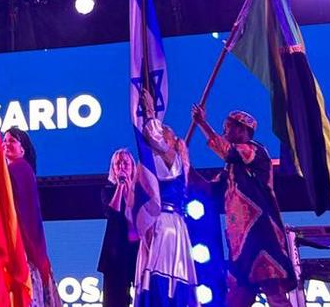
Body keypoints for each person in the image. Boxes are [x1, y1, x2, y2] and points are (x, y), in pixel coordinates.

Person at [191, 104, 294, 307]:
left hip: (261, 232)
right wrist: (183, 165)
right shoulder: (231, 168)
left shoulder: (254, 151)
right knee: (239, 295)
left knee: (272, 288)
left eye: (228, 127)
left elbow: (228, 152)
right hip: (240, 239)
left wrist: (202, 124)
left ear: (242, 129)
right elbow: (209, 189)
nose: (224, 131)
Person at [134, 88, 198, 307]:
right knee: (152, 276)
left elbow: (154, 137)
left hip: (166, 225)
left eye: (166, 133)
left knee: (162, 276)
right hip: (165, 223)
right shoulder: (161, 163)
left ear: (172, 142)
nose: (161, 134)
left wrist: (150, 111)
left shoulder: (173, 160)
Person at [2, 128, 59, 307]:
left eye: (12, 141)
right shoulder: (20, 170)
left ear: (22, 149)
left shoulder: (18, 168)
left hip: (22, 249)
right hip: (26, 248)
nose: (6, 144)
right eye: (4, 140)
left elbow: (21, 215)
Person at [97, 149, 158, 307]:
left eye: (126, 163)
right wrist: (120, 187)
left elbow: (139, 211)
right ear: (113, 168)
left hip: (137, 251)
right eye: (118, 163)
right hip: (115, 254)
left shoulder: (141, 191)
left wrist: (129, 187)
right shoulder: (108, 190)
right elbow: (112, 212)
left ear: (132, 167)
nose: (122, 166)